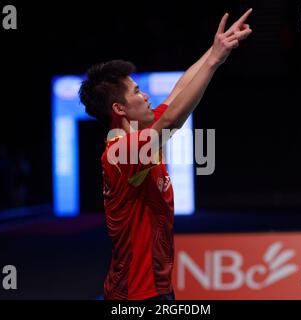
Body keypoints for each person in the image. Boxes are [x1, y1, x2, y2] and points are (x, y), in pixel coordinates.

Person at [78, 9, 253, 300]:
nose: (145, 95)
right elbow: (172, 121)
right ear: (119, 109)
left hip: (154, 288)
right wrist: (212, 61)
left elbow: (178, 91)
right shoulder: (122, 152)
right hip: (137, 294)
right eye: (136, 92)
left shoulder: (139, 141)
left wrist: (216, 49)